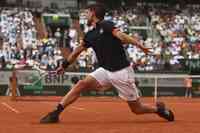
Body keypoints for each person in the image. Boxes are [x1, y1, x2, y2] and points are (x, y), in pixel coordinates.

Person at [40, 4, 174, 123]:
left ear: (93, 13)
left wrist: (139, 45)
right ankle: (55, 113)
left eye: (87, 12)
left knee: (137, 109)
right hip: (105, 70)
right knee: (81, 84)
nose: (85, 15)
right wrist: (63, 66)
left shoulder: (106, 24)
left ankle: (159, 110)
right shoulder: (90, 35)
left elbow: (121, 36)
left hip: (121, 72)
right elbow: (76, 52)